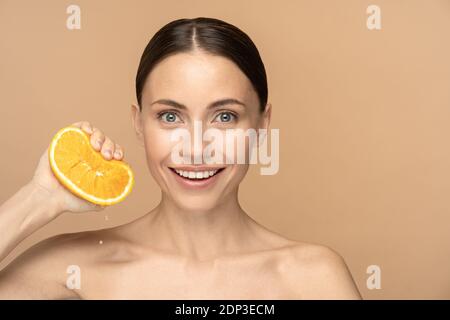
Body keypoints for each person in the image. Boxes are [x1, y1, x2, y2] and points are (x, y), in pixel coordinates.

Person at [0, 17, 361, 299]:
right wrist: (39, 198)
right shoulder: (75, 269)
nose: (195, 147)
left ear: (262, 125)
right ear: (138, 123)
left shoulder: (313, 278)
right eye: (170, 117)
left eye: (224, 116)